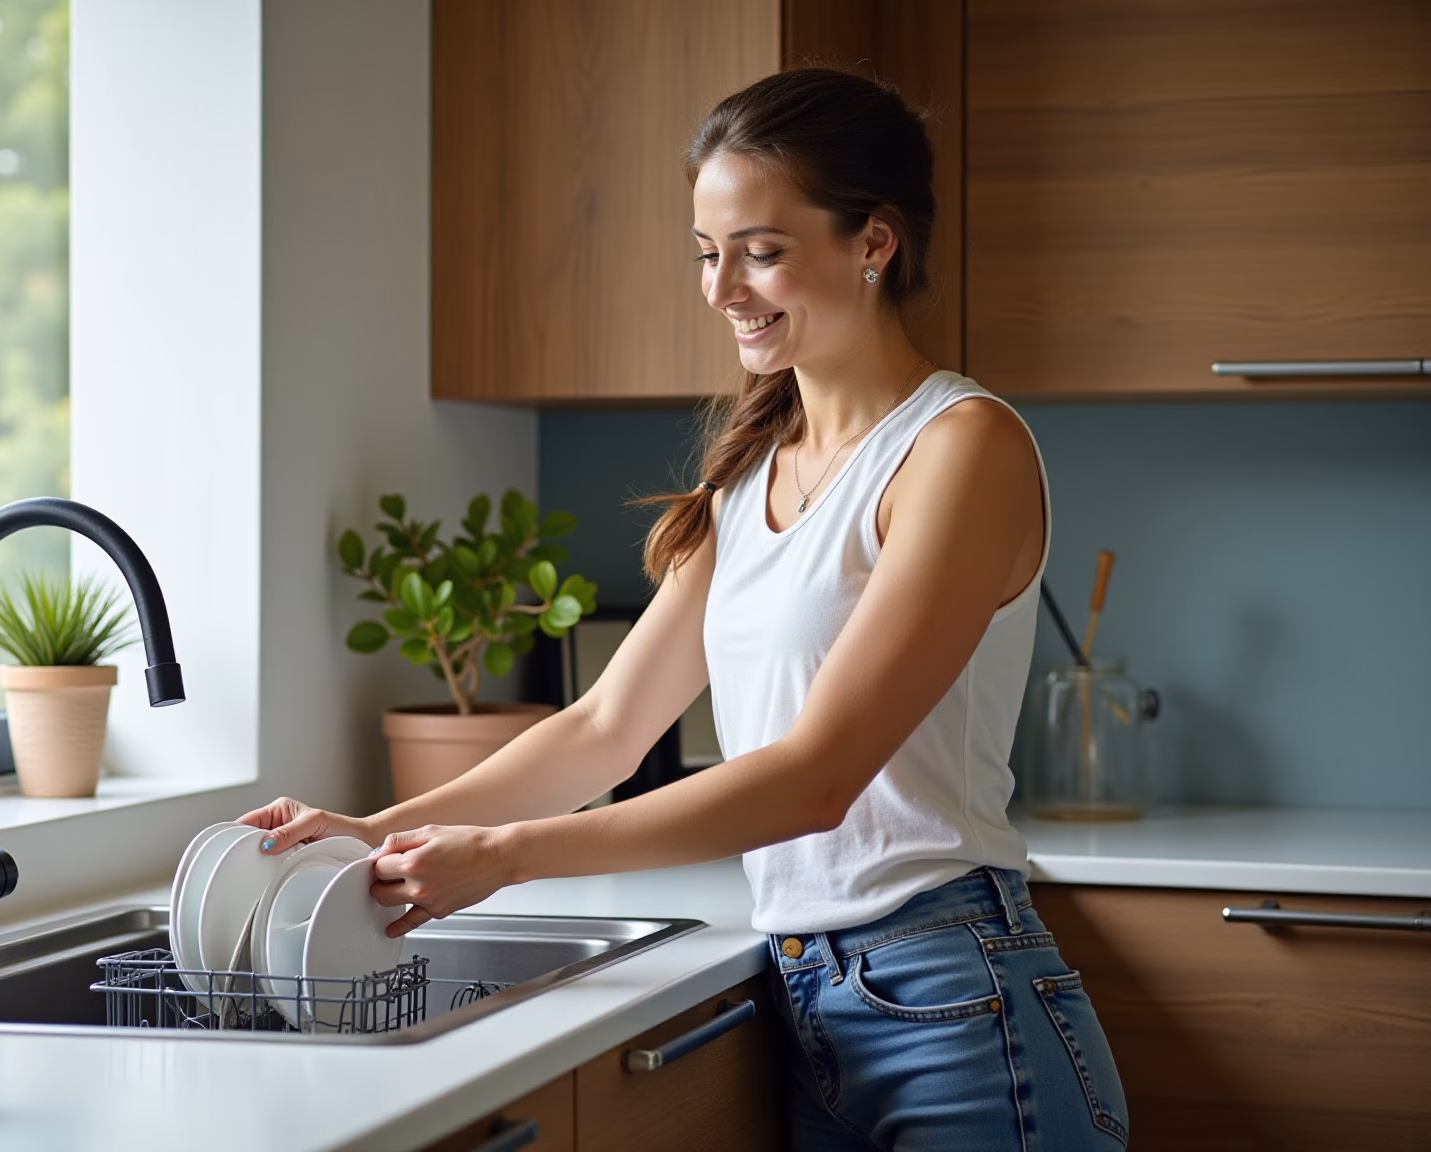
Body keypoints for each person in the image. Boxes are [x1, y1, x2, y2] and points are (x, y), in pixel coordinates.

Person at [240, 68, 1129, 1150]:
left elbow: (816, 777)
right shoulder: (749, 474)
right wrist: (372, 837)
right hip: (810, 999)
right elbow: (602, 728)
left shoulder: (957, 450)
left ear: (872, 242)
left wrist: (509, 854)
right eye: (707, 254)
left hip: (952, 1000)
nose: (720, 289)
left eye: (759, 250)